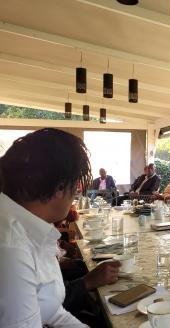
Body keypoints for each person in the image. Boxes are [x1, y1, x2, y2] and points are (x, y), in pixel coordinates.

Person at [0, 128, 92, 327]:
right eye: (75, 187)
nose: (75, 195)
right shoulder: (11, 245)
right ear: (60, 188)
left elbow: (52, 312)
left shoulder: (30, 229)